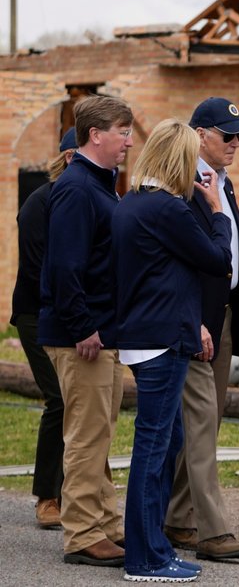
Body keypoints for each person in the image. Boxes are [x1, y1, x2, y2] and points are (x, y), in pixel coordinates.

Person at [113, 119, 234, 582]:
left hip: (148, 334)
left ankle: (153, 546)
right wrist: (217, 211)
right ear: (180, 158)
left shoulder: (132, 203)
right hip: (159, 340)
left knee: (166, 443)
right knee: (155, 446)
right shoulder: (167, 208)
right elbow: (217, 259)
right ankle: (145, 558)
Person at [164, 97, 239, 562]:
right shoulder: (182, 183)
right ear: (200, 134)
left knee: (209, 420)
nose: (236, 142)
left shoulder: (223, 182)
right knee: (200, 423)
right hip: (194, 319)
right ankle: (211, 530)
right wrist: (194, 319)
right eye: (228, 135)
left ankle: (178, 518)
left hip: (219, 317)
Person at [38, 96, 132, 567]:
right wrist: (83, 327)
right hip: (83, 337)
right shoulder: (77, 188)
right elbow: (63, 266)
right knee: (86, 436)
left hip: (103, 333)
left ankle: (107, 525)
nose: (128, 141)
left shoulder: (100, 186)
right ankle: (82, 534)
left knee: (100, 433)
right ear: (95, 135)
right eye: (122, 131)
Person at [10, 128, 76, 529]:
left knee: (79, 404)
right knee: (60, 400)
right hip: (39, 315)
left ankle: (76, 491)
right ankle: (47, 496)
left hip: (72, 316)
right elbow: (37, 270)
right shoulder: (40, 203)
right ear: (70, 158)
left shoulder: (83, 198)